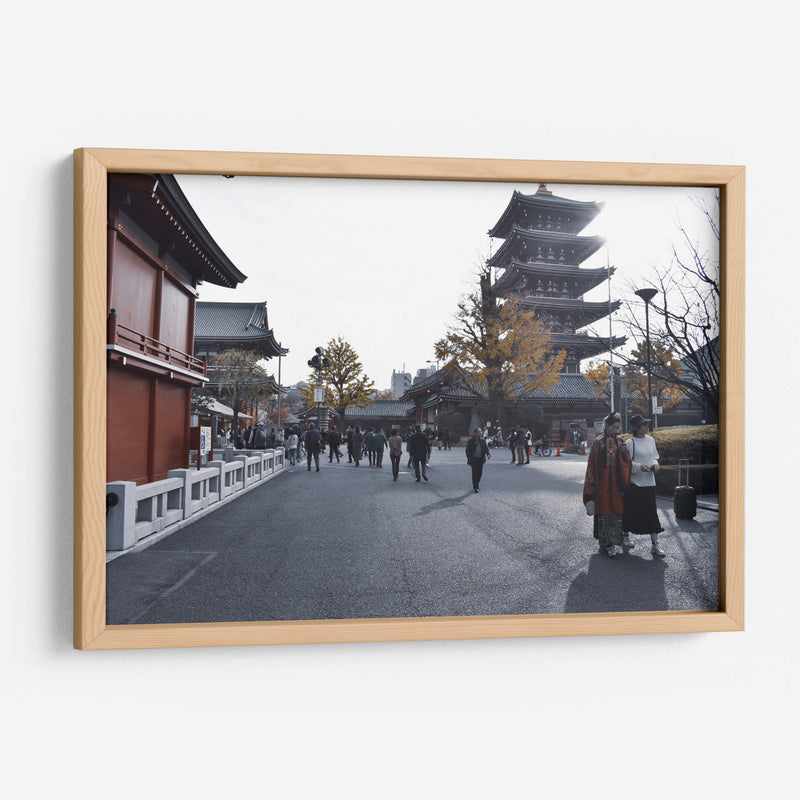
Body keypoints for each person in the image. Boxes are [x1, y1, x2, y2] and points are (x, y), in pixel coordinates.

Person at [582, 411, 632, 558]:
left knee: (616, 511)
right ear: (607, 426)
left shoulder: (620, 442)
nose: (616, 431)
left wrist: (624, 454)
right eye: (614, 428)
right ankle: (606, 544)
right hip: (602, 483)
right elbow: (591, 465)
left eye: (618, 428)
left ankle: (615, 541)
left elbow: (627, 461)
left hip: (616, 483)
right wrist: (590, 485)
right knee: (603, 512)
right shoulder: (598, 442)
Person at [623, 413, 666, 557]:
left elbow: (654, 457)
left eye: (647, 424)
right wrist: (638, 467)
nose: (647, 426)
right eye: (644, 424)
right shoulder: (630, 443)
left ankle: (655, 545)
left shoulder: (651, 440)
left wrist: (655, 465)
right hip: (635, 483)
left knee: (651, 513)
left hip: (649, 482)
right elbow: (626, 464)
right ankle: (625, 536)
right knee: (630, 512)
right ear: (637, 428)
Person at [466, 427, 490, 492]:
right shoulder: (471, 441)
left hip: (480, 459)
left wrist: (488, 454)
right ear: (476, 433)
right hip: (474, 459)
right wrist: (469, 458)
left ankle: (477, 483)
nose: (481, 433)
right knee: (474, 473)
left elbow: (486, 449)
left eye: (481, 432)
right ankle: (475, 487)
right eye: (479, 432)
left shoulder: (482, 441)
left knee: (479, 473)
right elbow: (467, 451)